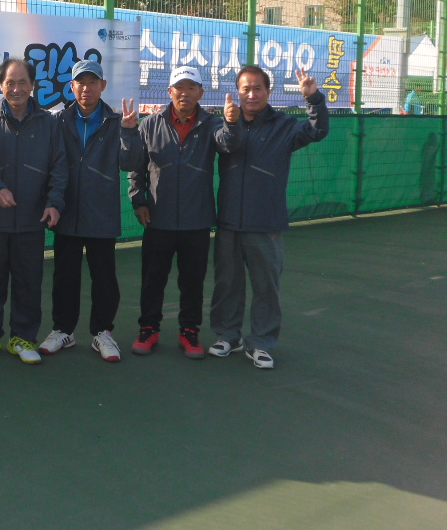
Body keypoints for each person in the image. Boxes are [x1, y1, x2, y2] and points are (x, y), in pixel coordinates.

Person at [209, 65, 329, 370]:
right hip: (228, 223)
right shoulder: (225, 123)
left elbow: (317, 130)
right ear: (237, 92)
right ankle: (228, 336)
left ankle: (261, 342)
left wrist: (313, 98)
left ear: (268, 91)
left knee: (266, 287)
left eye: (257, 88)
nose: (251, 94)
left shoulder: (285, 126)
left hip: (266, 223)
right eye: (245, 89)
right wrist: (231, 122)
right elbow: (225, 143)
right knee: (227, 284)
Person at [128, 65, 242, 359]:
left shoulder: (213, 124)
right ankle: (148, 329)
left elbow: (228, 145)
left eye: (191, 88)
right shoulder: (149, 124)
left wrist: (232, 124)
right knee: (153, 279)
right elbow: (136, 169)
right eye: (179, 87)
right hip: (158, 219)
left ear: (201, 93)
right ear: (170, 92)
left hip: (197, 220)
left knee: (192, 282)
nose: (185, 93)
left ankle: (189, 331)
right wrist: (139, 201)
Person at [38, 59, 141, 362]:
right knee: (65, 277)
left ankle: (103, 333)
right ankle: (63, 330)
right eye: (80, 83)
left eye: (92, 82)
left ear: (102, 86)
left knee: (104, 278)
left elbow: (130, 163)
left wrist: (129, 133)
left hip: (101, 214)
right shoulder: (58, 121)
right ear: (72, 87)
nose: (86, 88)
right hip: (66, 212)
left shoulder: (117, 121)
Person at [0, 58, 67, 365]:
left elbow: (59, 167)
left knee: (28, 282)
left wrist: (53, 203)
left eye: (22, 82)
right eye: (10, 83)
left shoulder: (50, 123)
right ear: (1, 86)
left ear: (32, 85)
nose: (16, 89)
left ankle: (23, 339)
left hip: (32, 221)